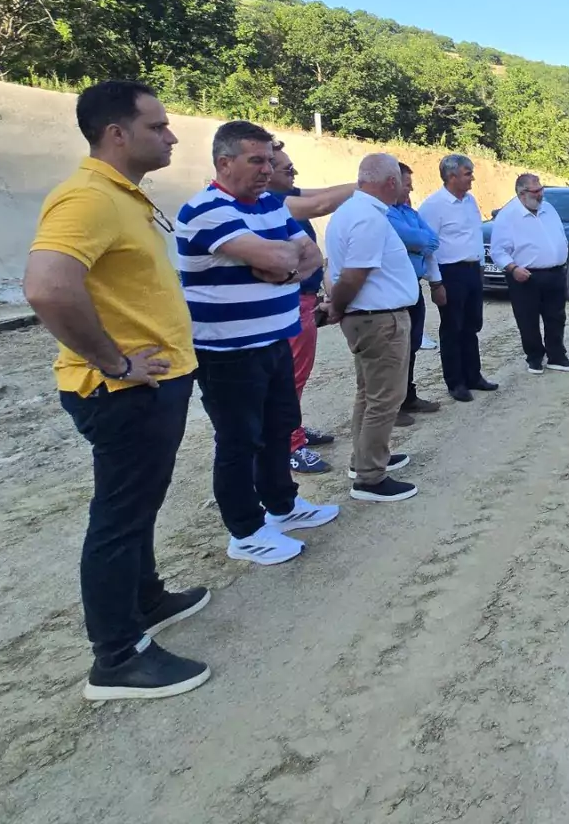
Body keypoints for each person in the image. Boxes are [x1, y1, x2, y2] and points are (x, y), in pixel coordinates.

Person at [25, 80, 211, 701]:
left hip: (152, 385)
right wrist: (113, 361)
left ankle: (145, 599)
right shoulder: (86, 197)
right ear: (116, 133)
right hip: (124, 391)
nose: (171, 136)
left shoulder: (123, 195)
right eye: (157, 126)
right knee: (119, 518)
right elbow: (48, 287)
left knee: (139, 505)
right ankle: (117, 656)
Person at [177, 121, 339, 566]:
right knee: (239, 441)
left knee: (277, 428)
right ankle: (246, 532)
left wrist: (279, 268)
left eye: (270, 160)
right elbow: (283, 254)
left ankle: (282, 506)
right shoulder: (206, 209)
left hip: (274, 339)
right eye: (257, 160)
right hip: (229, 352)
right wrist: (280, 261)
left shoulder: (270, 204)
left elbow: (310, 255)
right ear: (224, 162)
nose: (267, 169)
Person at [324, 154, 421, 501]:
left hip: (370, 318)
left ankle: (365, 458)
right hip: (379, 319)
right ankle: (370, 478)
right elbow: (353, 276)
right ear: (391, 182)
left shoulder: (350, 212)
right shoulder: (368, 218)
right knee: (385, 399)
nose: (405, 189)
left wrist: (339, 307)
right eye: (402, 182)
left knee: (369, 394)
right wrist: (337, 307)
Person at [266, 146, 355, 474]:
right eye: (286, 169)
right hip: (292, 300)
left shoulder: (286, 196)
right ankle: (290, 444)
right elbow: (322, 204)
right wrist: (368, 184)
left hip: (302, 299)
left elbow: (325, 193)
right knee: (290, 377)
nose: (294, 173)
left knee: (295, 375)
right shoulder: (274, 202)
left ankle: (294, 429)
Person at [418, 153, 497, 402]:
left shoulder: (470, 201)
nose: (472, 178)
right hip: (450, 273)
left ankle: (473, 376)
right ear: (451, 176)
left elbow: (475, 235)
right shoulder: (433, 206)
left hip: (472, 271)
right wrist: (436, 282)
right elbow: (428, 247)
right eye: (467, 174)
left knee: (472, 326)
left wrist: (481, 266)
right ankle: (456, 382)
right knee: (453, 328)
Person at [492, 173, 569, 374]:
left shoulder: (548, 208)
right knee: (528, 320)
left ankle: (557, 356)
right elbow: (498, 251)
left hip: (555, 273)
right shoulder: (508, 215)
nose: (541, 194)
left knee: (556, 317)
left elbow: (559, 235)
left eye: (541, 189)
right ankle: (535, 358)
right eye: (536, 191)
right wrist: (513, 268)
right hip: (525, 276)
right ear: (522, 193)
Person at [387, 162, 444, 420]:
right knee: (395, 349)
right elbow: (418, 239)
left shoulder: (409, 212)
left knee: (412, 344)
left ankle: (408, 397)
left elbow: (432, 239)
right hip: (395, 290)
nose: (411, 189)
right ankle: (392, 406)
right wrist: (417, 243)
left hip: (414, 286)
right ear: (393, 183)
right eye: (407, 184)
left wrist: (416, 244)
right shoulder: (385, 214)